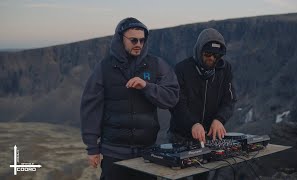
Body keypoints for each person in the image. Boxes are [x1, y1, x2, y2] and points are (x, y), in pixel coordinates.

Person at [81, 17, 179, 180]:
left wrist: (147, 87)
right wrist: (92, 148)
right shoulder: (104, 68)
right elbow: (91, 108)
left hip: (147, 153)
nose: (139, 44)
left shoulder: (156, 65)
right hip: (114, 155)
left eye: (142, 40)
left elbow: (172, 97)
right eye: (134, 40)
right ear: (120, 39)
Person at [168, 28, 237, 179]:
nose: (212, 58)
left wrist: (220, 119)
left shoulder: (225, 69)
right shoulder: (181, 69)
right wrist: (193, 123)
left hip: (206, 139)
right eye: (207, 54)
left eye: (217, 56)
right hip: (180, 137)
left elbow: (230, 99)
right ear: (199, 50)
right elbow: (176, 103)